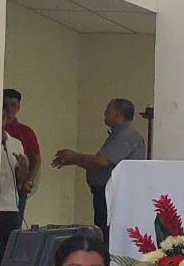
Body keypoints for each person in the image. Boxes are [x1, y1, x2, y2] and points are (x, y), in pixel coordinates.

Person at [52, 99, 146, 232]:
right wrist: (74, 160)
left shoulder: (126, 136)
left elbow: (101, 162)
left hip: (114, 197)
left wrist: (74, 156)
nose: (104, 114)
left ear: (118, 115)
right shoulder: (119, 135)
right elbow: (101, 164)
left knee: (109, 236)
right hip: (108, 195)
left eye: (108, 111)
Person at [3, 89, 41, 228]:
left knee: (14, 229)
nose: (9, 109)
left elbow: (36, 159)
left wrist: (29, 181)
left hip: (17, 189)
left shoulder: (26, 132)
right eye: (5, 105)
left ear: (19, 107)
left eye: (13, 105)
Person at [0, 103, 29, 265]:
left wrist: (23, 166)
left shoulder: (15, 143)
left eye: (3, 117)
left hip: (10, 205)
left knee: (7, 253)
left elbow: (21, 178)